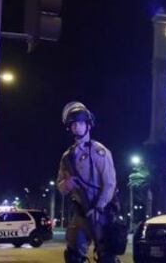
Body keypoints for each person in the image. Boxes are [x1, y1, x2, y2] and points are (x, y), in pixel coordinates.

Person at [56, 101, 117, 263]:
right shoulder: (67, 156)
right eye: (73, 124)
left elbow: (110, 183)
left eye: (81, 123)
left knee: (106, 255)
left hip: (100, 212)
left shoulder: (99, 152)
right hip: (81, 213)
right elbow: (60, 186)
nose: (77, 127)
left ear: (88, 125)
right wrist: (67, 184)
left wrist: (99, 206)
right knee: (73, 254)